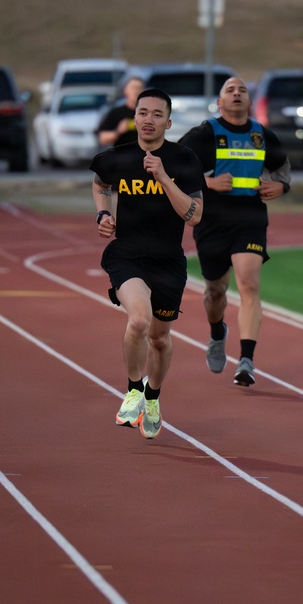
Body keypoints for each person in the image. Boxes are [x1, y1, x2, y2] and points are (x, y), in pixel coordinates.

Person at [90, 87, 205, 439]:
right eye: (143, 113)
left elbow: (194, 215)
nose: (149, 120)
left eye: (157, 114)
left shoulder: (184, 160)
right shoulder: (117, 158)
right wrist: (104, 213)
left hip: (168, 262)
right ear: (134, 117)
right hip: (127, 255)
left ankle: (153, 397)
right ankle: (134, 390)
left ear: (168, 122)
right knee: (138, 319)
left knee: (159, 338)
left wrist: (163, 178)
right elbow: (99, 183)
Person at [178, 77, 291, 387]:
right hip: (212, 221)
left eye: (242, 90)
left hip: (250, 218)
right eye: (230, 90)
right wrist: (207, 183)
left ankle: (246, 361)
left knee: (249, 285)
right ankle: (217, 333)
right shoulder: (205, 134)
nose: (237, 93)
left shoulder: (262, 135)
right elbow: (174, 167)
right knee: (215, 290)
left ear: (250, 101)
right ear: (219, 102)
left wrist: (281, 185)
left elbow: (283, 168)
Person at [97, 76, 145, 149]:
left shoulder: (150, 113)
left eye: (139, 88)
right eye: (133, 88)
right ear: (125, 91)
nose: (136, 91)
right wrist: (118, 132)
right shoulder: (116, 113)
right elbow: (102, 139)